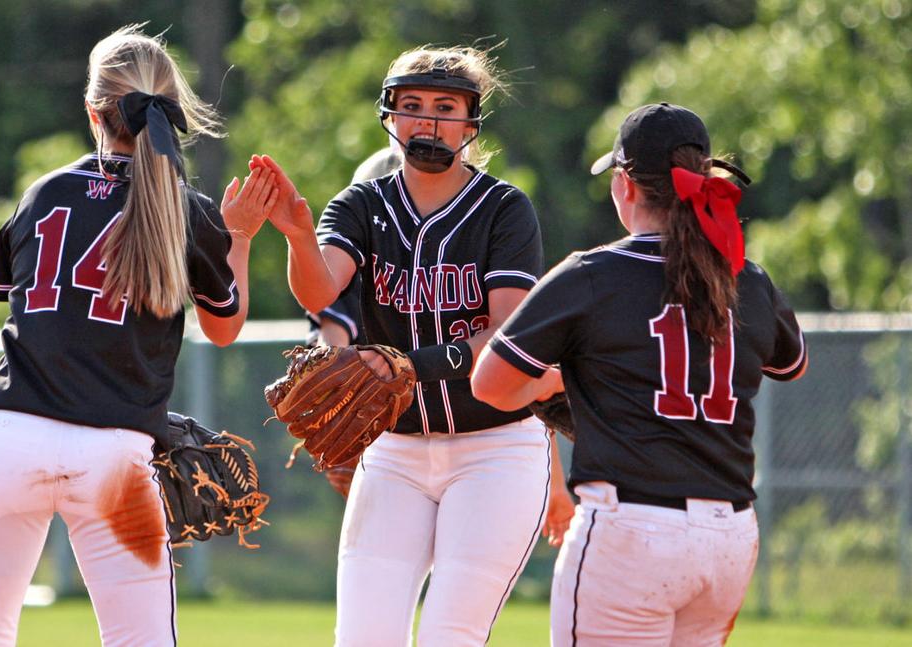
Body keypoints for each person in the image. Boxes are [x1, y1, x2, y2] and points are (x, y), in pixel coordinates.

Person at [0, 25, 276, 646]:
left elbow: (38, 316)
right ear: (170, 111)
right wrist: (241, 238)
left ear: (94, 111)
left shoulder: (44, 193)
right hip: (113, 459)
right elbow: (224, 328)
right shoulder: (187, 208)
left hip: (8, 441)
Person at [471, 103, 808, 646]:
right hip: (728, 538)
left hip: (630, 531)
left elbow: (491, 384)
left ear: (625, 185)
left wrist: (562, 381)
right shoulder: (746, 277)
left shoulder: (592, 275)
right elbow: (791, 365)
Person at [259, 46, 561, 646]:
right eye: (412, 105)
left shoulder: (504, 209)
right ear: (390, 116)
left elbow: (506, 332)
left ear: (472, 120)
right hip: (395, 451)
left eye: (445, 107)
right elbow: (322, 287)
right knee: (363, 638)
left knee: (451, 635)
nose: (427, 121)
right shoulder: (362, 205)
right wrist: (297, 234)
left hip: (494, 449)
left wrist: (409, 364)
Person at [308, 147, 403, 499]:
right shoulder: (350, 274)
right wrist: (335, 402)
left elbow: (331, 348)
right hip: (386, 434)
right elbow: (331, 348)